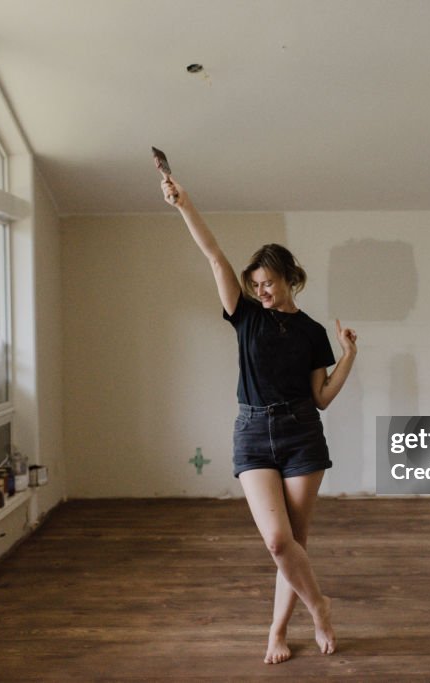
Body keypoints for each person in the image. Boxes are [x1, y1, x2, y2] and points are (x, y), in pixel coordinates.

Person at [162, 174, 357, 664]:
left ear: (290, 278)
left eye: (268, 282)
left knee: (295, 541)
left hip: (301, 434)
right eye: (255, 284)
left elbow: (323, 397)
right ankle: (320, 608)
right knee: (276, 540)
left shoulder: (313, 332)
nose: (261, 290)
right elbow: (213, 254)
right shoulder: (244, 314)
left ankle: (276, 631)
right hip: (252, 431)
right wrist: (184, 204)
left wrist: (349, 356)